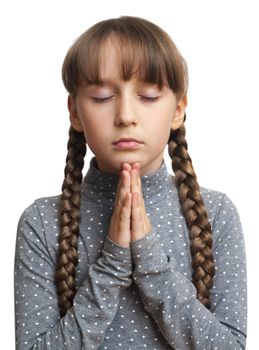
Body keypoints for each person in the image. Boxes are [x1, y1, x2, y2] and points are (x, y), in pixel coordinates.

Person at [14, 15, 247, 350]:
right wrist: (111, 264)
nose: (125, 115)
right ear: (75, 112)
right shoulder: (41, 222)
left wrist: (150, 263)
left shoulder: (217, 213)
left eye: (149, 96)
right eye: (102, 97)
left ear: (178, 108)